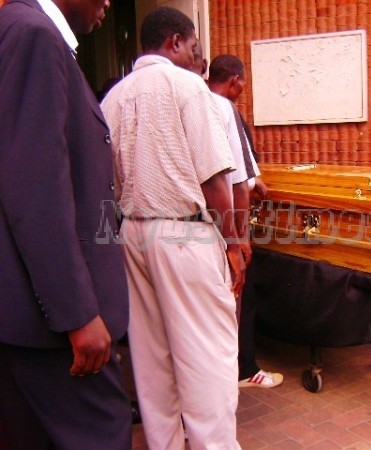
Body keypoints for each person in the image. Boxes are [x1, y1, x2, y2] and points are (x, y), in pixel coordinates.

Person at [101, 7, 243, 449]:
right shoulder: (187, 87)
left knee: (151, 358)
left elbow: (109, 181)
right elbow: (216, 178)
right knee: (207, 356)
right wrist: (234, 243)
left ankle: (165, 444)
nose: (196, 56)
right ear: (174, 42)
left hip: (133, 234)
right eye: (193, 46)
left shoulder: (113, 98)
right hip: (184, 233)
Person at [0, 0, 131, 448]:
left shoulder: (26, 32)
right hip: (51, 332)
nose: (108, 4)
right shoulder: (33, 35)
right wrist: (77, 314)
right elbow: (36, 187)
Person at [208, 54, 283, 388]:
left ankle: (226, 369)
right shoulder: (224, 110)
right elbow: (238, 182)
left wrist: (256, 181)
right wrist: (240, 238)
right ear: (235, 80)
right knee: (240, 296)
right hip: (227, 226)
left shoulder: (196, 105)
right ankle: (244, 368)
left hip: (202, 225)